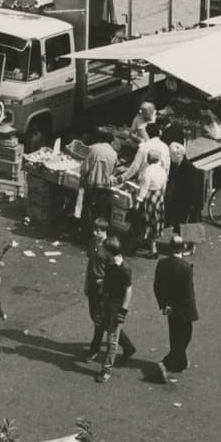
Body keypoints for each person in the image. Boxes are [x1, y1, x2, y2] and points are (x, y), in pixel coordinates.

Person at [151, 235, 198, 384]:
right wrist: (192, 311)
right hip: (183, 309)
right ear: (183, 248)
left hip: (169, 307)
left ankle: (180, 363)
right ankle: (166, 363)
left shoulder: (162, 263)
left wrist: (165, 305)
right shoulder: (186, 267)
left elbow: (157, 286)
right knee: (185, 336)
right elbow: (188, 293)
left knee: (174, 334)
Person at [92, 237, 136, 384]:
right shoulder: (110, 263)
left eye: (104, 249)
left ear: (110, 252)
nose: (102, 251)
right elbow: (107, 279)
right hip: (108, 301)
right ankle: (129, 348)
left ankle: (106, 370)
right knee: (109, 328)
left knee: (112, 340)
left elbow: (128, 290)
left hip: (117, 304)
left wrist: (123, 311)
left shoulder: (124, 268)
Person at [120, 122, 170, 251]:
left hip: (146, 191)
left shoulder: (144, 148)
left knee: (139, 218)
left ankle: (133, 242)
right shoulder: (164, 147)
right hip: (158, 193)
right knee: (154, 218)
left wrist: (123, 177)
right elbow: (167, 169)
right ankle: (152, 245)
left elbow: (135, 167)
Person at [81, 221, 112, 359]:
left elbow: (114, 270)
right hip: (93, 283)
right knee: (95, 316)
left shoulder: (110, 246)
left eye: (98, 230)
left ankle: (94, 349)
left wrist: (105, 282)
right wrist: (86, 283)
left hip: (103, 285)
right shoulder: (92, 242)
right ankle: (127, 345)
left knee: (99, 319)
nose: (95, 233)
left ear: (104, 231)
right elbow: (90, 264)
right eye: (94, 229)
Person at [80, 132, 119, 233]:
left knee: (88, 209)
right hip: (105, 186)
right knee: (101, 210)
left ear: (101, 139)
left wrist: (82, 178)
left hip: (92, 184)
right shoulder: (114, 153)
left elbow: (85, 167)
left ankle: (86, 232)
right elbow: (114, 172)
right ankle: (100, 232)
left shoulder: (95, 149)